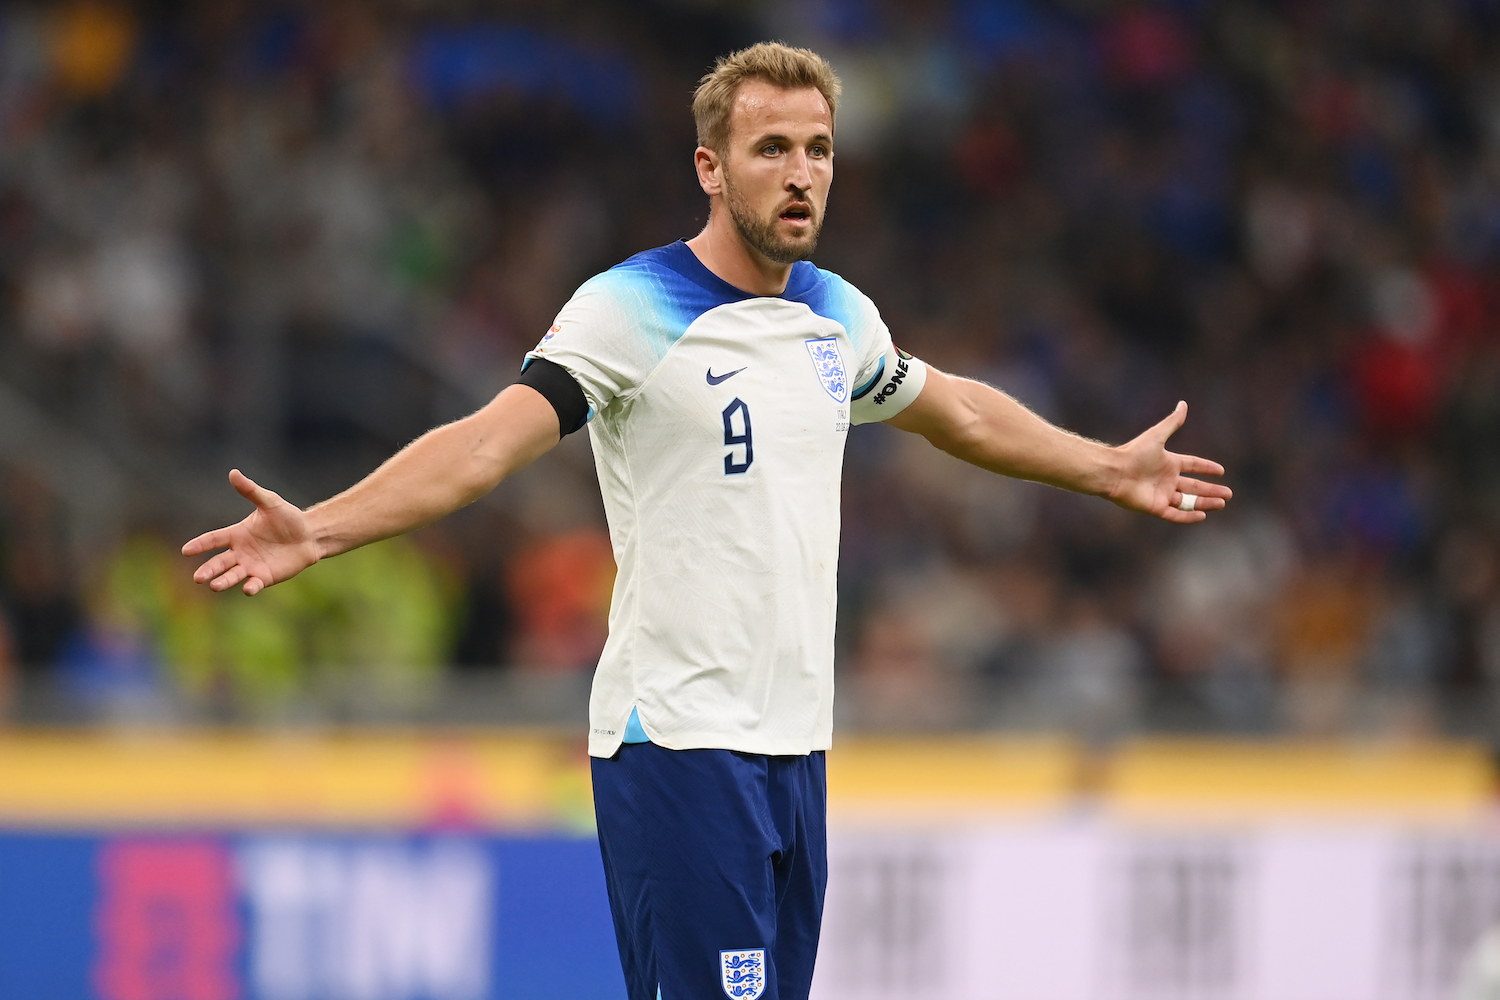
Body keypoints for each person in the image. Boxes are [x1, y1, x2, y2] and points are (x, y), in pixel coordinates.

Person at [184, 42, 1231, 1000]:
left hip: (795, 747)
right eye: (771, 146)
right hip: (679, 746)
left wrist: (1105, 467)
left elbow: (954, 407)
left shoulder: (837, 313)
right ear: (710, 168)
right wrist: (321, 527)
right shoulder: (628, 308)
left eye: (818, 148)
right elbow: (486, 443)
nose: (801, 171)